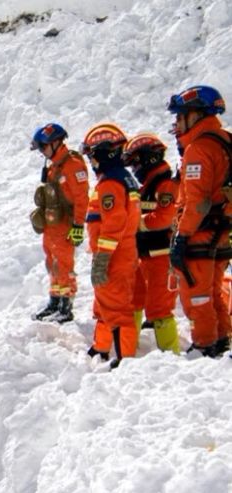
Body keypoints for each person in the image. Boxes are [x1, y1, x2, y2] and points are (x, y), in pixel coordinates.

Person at [167, 85, 232, 357]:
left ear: (195, 115)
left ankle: (204, 344)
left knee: (196, 294)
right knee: (214, 291)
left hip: (201, 232)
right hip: (223, 230)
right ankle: (220, 338)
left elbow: (196, 201)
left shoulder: (199, 148)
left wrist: (181, 237)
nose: (177, 123)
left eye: (180, 116)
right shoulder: (226, 140)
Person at [81, 123, 141, 369]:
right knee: (105, 303)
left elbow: (113, 223)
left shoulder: (110, 184)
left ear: (105, 153)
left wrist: (103, 258)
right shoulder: (124, 178)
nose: (91, 162)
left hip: (114, 255)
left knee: (116, 308)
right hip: (123, 251)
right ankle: (102, 346)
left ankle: (124, 359)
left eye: (92, 156)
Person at [123, 132, 180, 353]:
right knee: (134, 300)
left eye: (135, 161)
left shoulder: (166, 184)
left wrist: (135, 222)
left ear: (149, 158)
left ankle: (171, 354)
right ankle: (128, 348)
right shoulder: (148, 184)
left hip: (161, 256)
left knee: (159, 308)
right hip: (143, 254)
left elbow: (164, 218)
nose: (134, 168)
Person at [29, 123, 90, 323]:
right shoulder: (54, 164)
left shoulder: (72, 164)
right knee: (52, 262)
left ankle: (66, 305)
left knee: (64, 264)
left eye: (43, 147)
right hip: (51, 225)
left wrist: (79, 225)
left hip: (66, 224)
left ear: (55, 143)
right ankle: (55, 301)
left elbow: (82, 198)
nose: (42, 152)